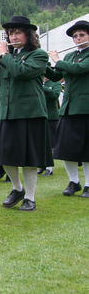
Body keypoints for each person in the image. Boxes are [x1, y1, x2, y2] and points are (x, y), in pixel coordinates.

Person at [0, 16, 53, 211]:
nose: (13, 36)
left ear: (28, 35)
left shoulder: (38, 55)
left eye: (17, 32)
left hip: (30, 112)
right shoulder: (8, 56)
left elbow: (21, 72)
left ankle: (30, 198)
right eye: (10, 33)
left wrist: (4, 55)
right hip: (8, 112)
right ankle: (17, 188)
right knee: (5, 156)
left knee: (30, 159)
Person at [46, 20, 89, 198]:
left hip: (86, 108)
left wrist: (57, 60)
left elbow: (79, 69)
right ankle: (74, 182)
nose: (78, 39)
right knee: (65, 148)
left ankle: (88, 184)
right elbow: (58, 76)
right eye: (75, 36)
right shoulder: (70, 56)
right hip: (68, 108)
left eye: (82, 35)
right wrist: (44, 64)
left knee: (87, 150)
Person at [37, 76, 61, 176]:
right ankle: (41, 165)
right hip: (40, 116)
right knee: (40, 143)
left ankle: (49, 168)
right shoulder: (38, 82)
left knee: (50, 143)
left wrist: (43, 88)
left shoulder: (55, 83)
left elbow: (55, 95)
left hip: (51, 117)